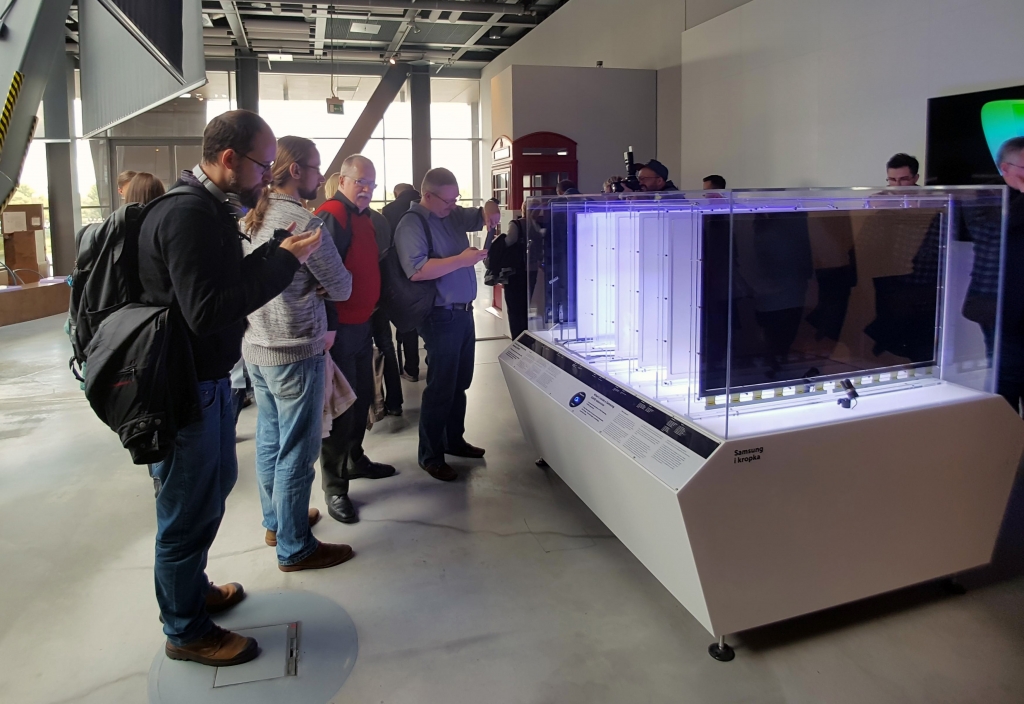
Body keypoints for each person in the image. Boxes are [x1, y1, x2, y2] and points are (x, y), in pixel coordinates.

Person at [137, 110, 323, 667]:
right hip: (185, 385)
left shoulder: (205, 208)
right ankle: (186, 630)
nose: (267, 176)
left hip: (207, 381)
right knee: (185, 512)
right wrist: (281, 266)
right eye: (262, 165)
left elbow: (223, 283)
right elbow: (207, 311)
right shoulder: (188, 214)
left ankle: (191, 593)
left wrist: (276, 254)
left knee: (210, 492)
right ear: (227, 159)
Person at [241, 135, 356, 572]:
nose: (321, 177)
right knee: (297, 452)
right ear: (295, 171)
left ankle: (277, 523)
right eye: (316, 168)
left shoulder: (251, 214)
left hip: (256, 345)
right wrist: (320, 284)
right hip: (294, 348)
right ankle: (295, 547)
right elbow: (342, 286)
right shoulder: (305, 223)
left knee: (270, 440)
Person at [394, 167, 500, 481]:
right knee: (441, 387)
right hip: (440, 315)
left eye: (456, 199)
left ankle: (454, 439)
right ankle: (430, 455)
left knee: (460, 383)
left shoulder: (450, 215)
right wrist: (462, 260)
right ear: (427, 195)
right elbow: (417, 271)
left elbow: (481, 212)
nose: (453, 205)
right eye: (447, 200)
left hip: (463, 313)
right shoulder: (412, 224)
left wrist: (491, 208)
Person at [315, 154, 396, 524]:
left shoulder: (364, 218)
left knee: (362, 397)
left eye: (371, 183)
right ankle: (335, 486)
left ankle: (354, 459)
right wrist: (331, 325)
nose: (366, 188)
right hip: (341, 329)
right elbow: (321, 276)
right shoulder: (333, 214)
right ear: (343, 180)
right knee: (341, 410)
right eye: (360, 181)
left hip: (362, 324)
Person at [382, 183, 423, 381]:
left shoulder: (389, 210)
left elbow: (387, 243)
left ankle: (411, 368)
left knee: (407, 322)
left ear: (396, 194)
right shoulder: (425, 205)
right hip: (430, 268)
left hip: (401, 273)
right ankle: (434, 363)